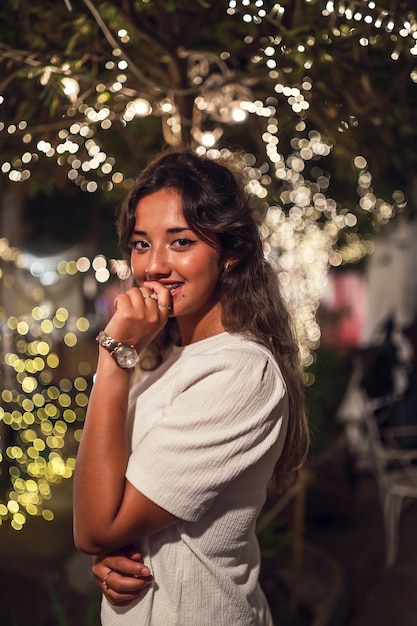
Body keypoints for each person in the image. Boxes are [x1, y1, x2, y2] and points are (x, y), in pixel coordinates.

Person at [73, 148, 309, 625]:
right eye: (141, 244)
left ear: (231, 254)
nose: (154, 265)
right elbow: (107, 500)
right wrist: (115, 553)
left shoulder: (241, 371)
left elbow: (94, 526)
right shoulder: (161, 355)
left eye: (179, 242)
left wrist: (114, 356)